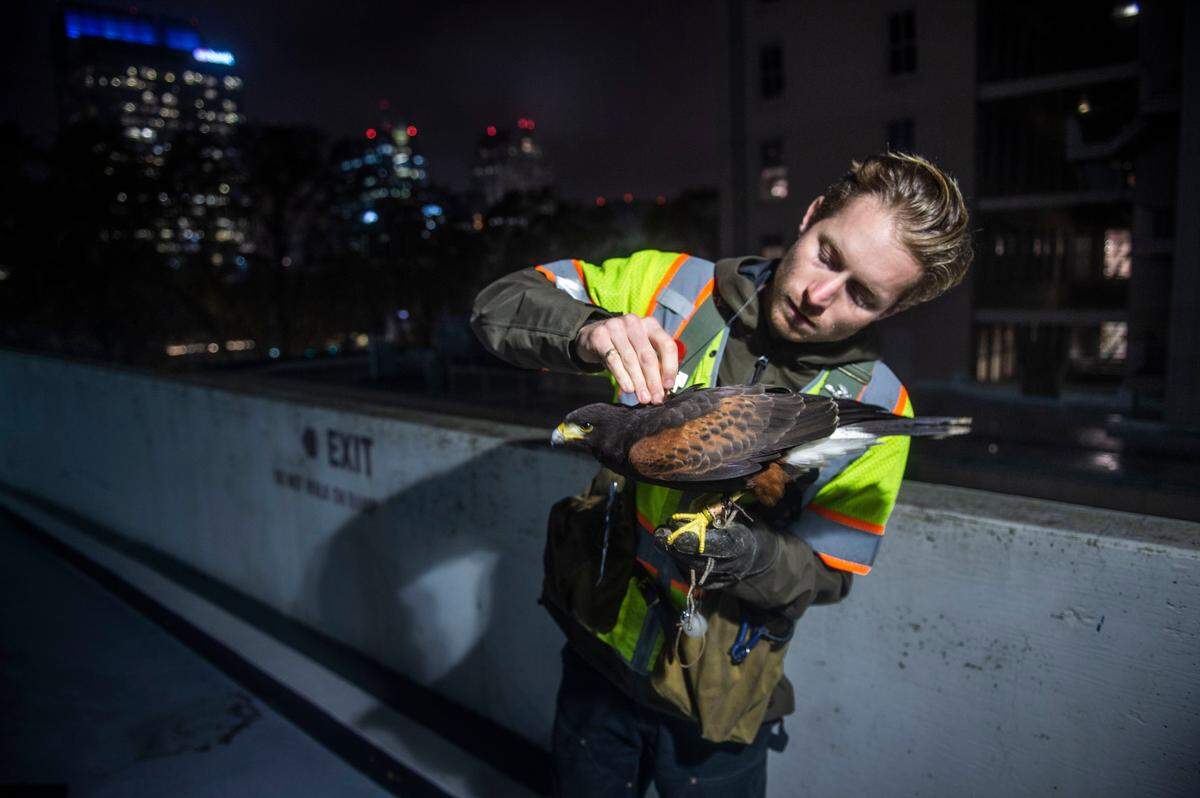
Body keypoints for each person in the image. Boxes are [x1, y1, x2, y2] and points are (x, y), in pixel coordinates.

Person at [470, 152, 972, 797]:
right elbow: (497, 307)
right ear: (811, 215)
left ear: (891, 311)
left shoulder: (881, 405)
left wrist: (751, 554)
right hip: (596, 655)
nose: (820, 297)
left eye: (862, 294)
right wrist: (590, 331)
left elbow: (829, 574)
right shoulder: (667, 287)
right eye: (827, 255)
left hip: (716, 702)